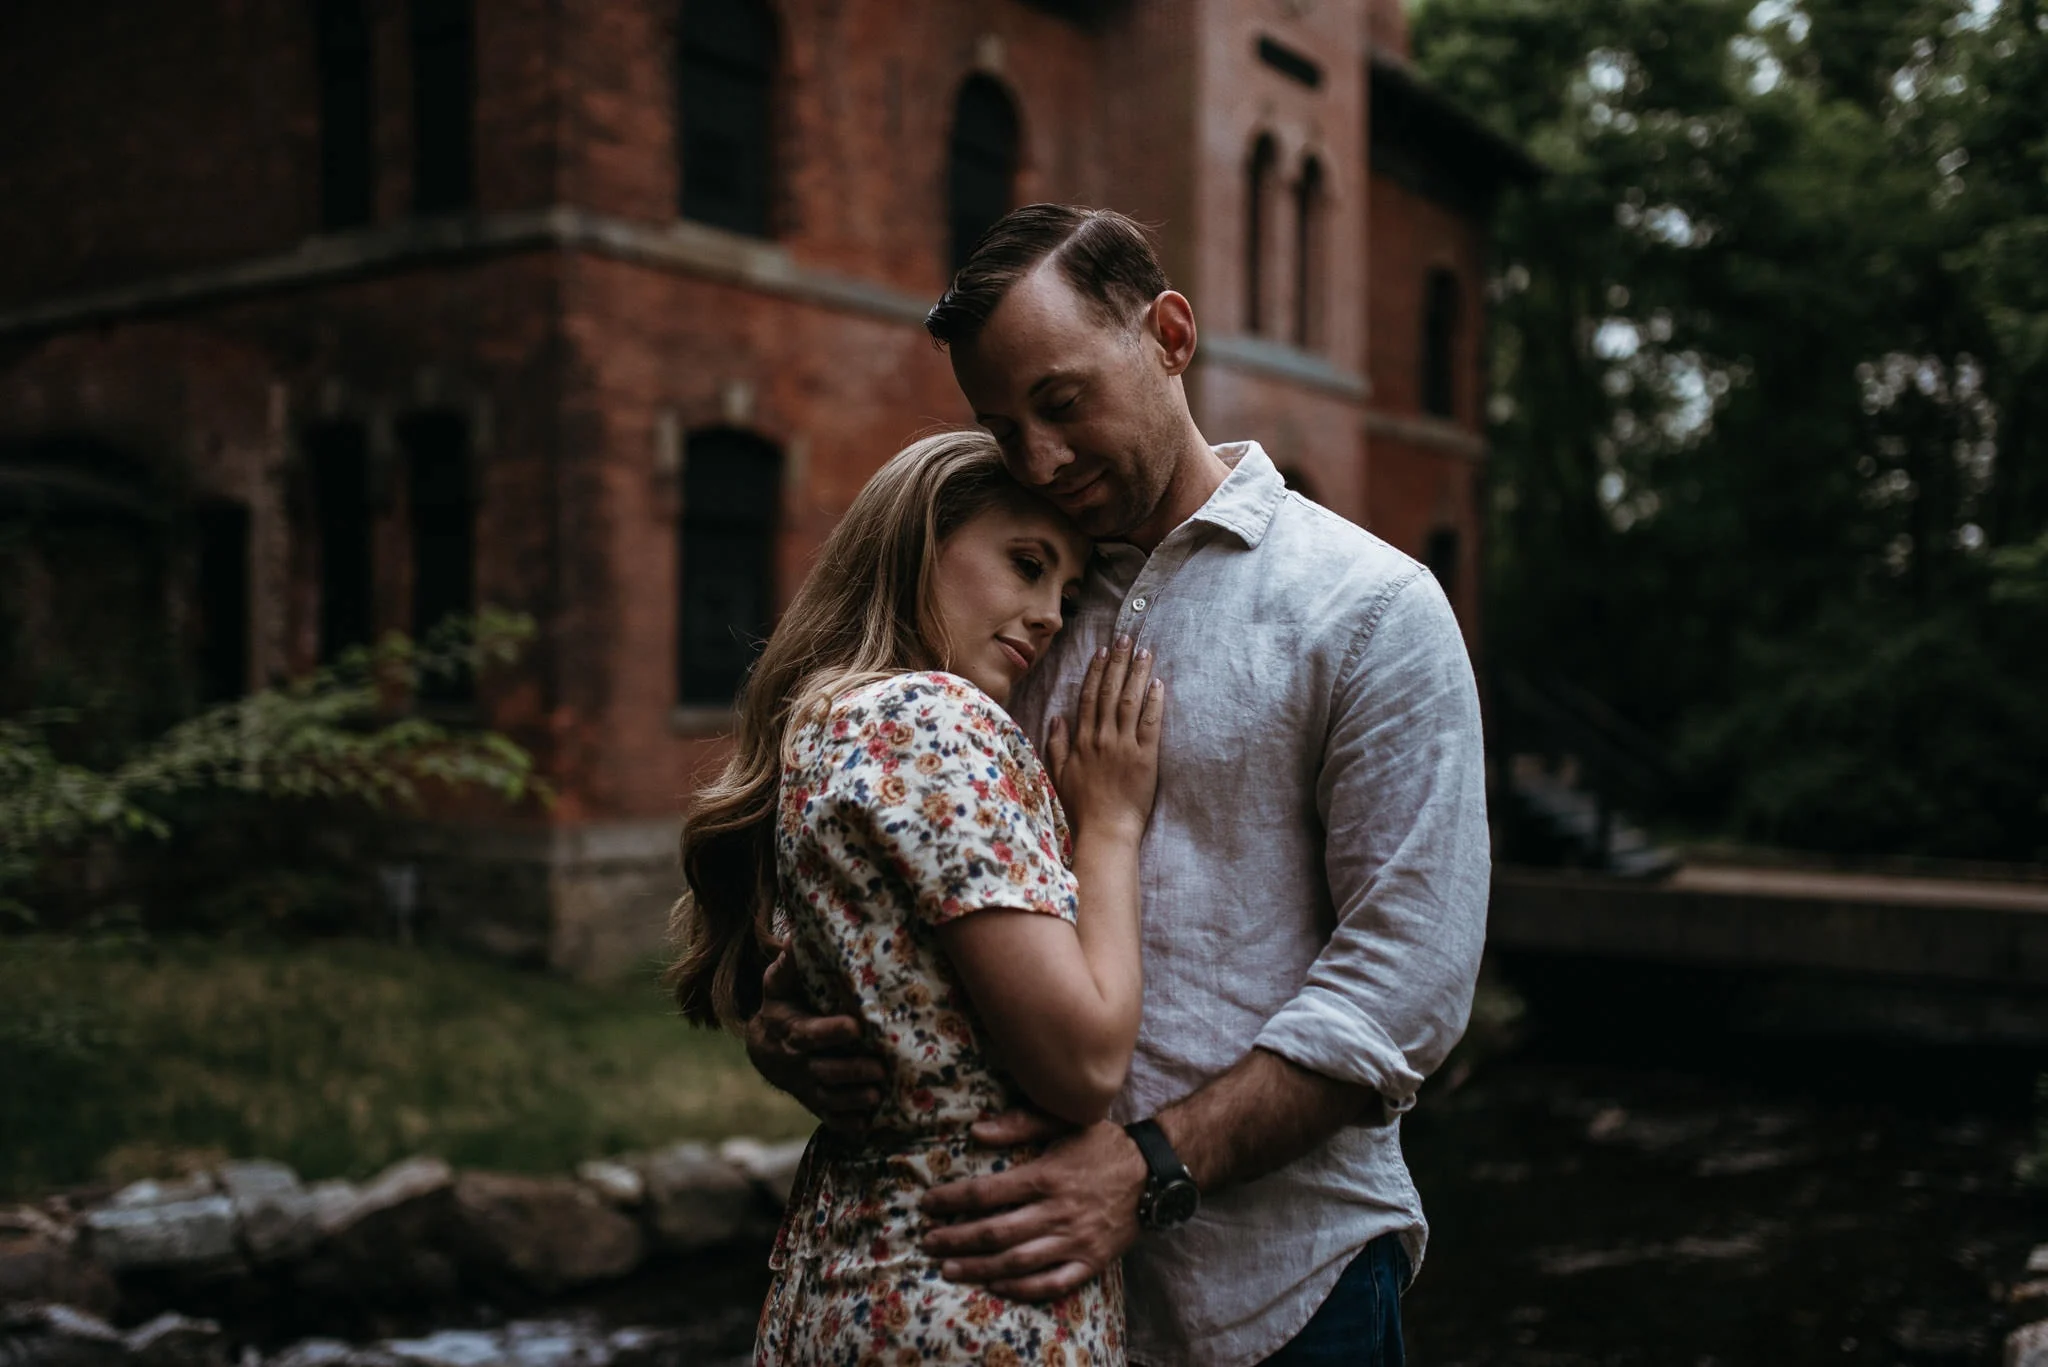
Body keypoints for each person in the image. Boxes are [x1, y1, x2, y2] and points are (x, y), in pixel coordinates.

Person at [744, 205, 1491, 1366]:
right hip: (1016, 1309)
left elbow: (1407, 983)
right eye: (1003, 424)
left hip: (1287, 1291)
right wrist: (785, 1013)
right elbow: (883, 858)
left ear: (1170, 334)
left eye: (1062, 400)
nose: (1038, 456)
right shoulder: (1008, 606)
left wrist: (1151, 1166)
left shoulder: (1368, 609)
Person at [667, 428, 1167, 1365]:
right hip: (972, 1295)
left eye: (1064, 589)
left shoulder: (827, 719)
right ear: (918, 540)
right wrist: (1109, 823)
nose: (1051, 614)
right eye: (1025, 564)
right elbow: (1084, 1060)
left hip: (847, 1277)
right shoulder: (934, 720)